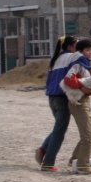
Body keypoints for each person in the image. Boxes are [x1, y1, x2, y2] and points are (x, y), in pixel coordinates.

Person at [36, 35, 80, 172]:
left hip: (52, 98)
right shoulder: (72, 57)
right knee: (60, 131)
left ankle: (43, 149)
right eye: (77, 45)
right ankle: (48, 163)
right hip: (61, 98)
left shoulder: (55, 60)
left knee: (58, 128)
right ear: (70, 46)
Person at [64, 39, 91, 174]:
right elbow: (68, 79)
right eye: (87, 50)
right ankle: (83, 166)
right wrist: (82, 88)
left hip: (85, 101)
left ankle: (75, 160)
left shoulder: (87, 65)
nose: (90, 52)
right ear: (80, 52)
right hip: (77, 102)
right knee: (88, 135)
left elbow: (90, 84)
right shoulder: (78, 64)